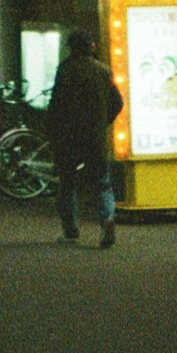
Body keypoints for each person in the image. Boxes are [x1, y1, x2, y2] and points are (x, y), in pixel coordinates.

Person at [45, 28, 124, 247]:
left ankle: (71, 230)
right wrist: (102, 122)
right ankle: (107, 218)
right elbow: (118, 102)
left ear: (71, 48)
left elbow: (56, 104)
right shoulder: (103, 71)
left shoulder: (66, 70)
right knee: (102, 183)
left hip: (68, 137)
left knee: (67, 183)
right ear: (92, 47)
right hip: (95, 137)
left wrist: (52, 130)